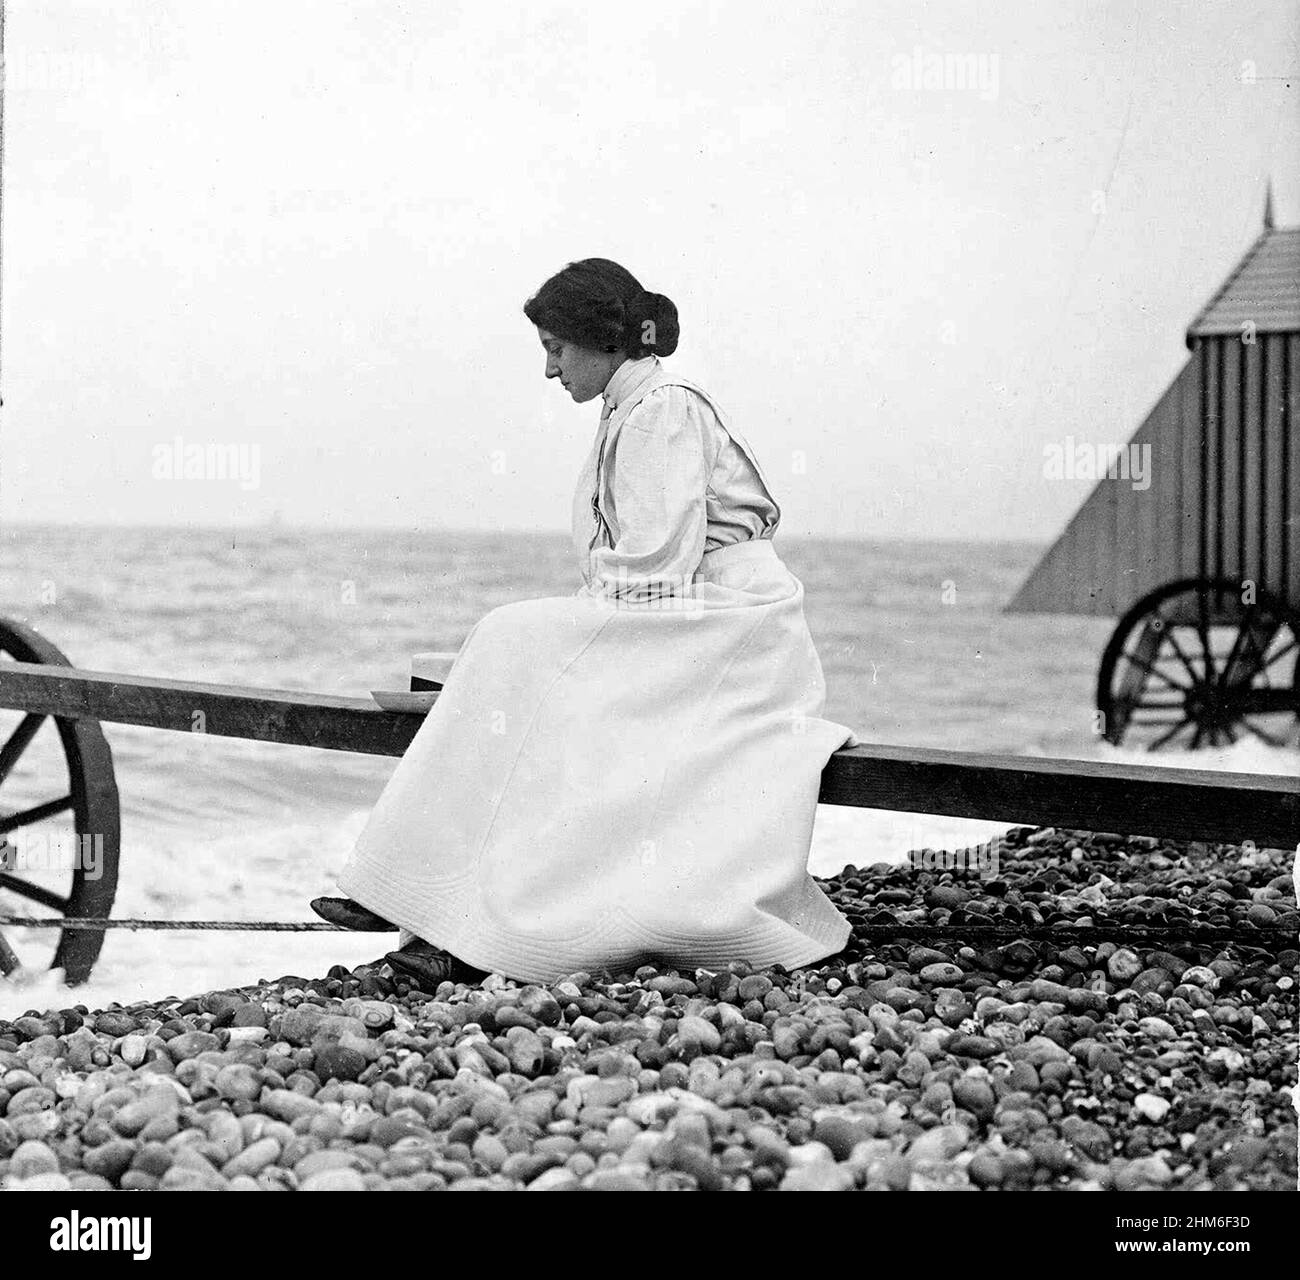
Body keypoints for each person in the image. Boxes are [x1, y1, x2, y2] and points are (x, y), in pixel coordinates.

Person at [313, 258, 860, 989]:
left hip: (735, 621)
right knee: (509, 655)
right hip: (697, 610)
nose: (549, 370)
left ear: (600, 341)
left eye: (556, 349)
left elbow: (660, 562)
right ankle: (427, 899)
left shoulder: (663, 404)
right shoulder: (633, 404)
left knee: (514, 640)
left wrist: (568, 627)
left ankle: (441, 904)